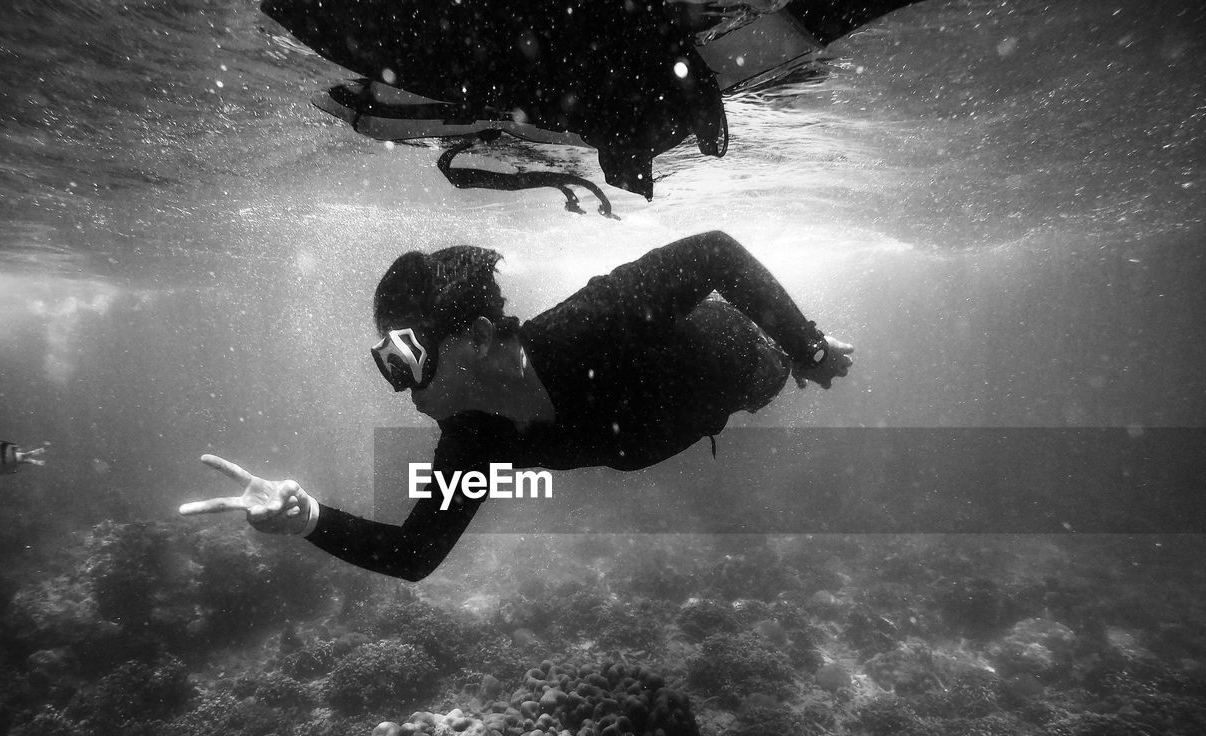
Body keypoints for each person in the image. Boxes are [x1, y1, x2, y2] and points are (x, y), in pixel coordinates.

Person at [179, 231, 853, 580]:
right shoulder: (476, 438)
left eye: (409, 358)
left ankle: (794, 349)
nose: (406, 389)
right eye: (393, 365)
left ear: (473, 337)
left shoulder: (589, 323)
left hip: (747, 350)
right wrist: (309, 519)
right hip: (714, 406)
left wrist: (809, 349)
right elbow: (414, 553)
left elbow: (715, 252)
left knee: (775, 359)